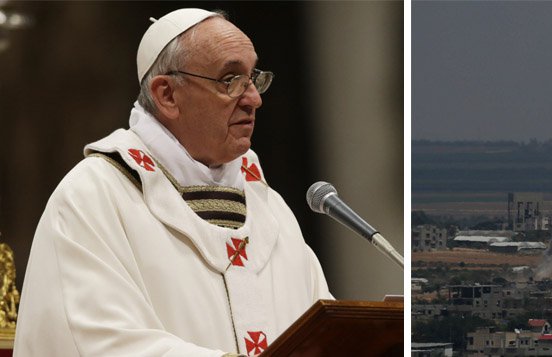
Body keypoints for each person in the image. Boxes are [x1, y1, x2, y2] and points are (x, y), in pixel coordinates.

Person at [14, 9, 332, 356]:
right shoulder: (93, 197)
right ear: (167, 95)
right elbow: (97, 341)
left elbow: (328, 333)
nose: (254, 98)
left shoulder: (270, 209)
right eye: (230, 80)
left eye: (253, 78)